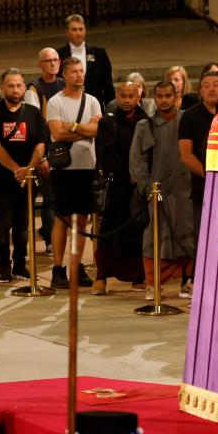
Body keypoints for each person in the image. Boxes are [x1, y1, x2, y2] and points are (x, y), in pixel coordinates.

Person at [0, 69, 46, 283]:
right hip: (0, 179)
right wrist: (16, 169)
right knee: (2, 224)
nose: (15, 89)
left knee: (23, 224)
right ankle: (4, 266)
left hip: (27, 177)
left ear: (24, 87)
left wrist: (29, 168)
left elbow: (41, 143)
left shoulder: (34, 113)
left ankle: (20, 264)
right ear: (2, 88)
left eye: (19, 85)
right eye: (10, 85)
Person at [129, 81, 193, 299]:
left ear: (176, 96)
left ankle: (188, 281)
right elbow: (136, 161)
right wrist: (148, 187)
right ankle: (152, 283)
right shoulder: (145, 125)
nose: (164, 100)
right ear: (154, 98)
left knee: (188, 236)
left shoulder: (188, 121)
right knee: (154, 239)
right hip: (157, 192)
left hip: (186, 192)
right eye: (160, 96)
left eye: (168, 95)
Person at [45, 56, 99, 289]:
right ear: (64, 75)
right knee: (63, 219)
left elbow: (97, 130)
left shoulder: (92, 101)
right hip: (64, 168)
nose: (79, 75)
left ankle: (77, 266)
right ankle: (59, 268)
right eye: (74, 71)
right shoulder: (56, 102)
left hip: (87, 167)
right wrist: (85, 131)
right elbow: (58, 134)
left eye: (81, 70)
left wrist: (75, 127)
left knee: (82, 220)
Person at [91, 81, 148, 295]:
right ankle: (101, 277)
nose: (126, 100)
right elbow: (105, 152)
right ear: (117, 96)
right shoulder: (108, 122)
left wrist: (139, 175)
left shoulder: (145, 121)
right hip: (117, 184)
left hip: (138, 186)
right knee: (108, 232)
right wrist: (127, 172)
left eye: (131, 96)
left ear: (138, 96)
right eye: (123, 96)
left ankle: (139, 276)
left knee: (139, 230)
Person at [177, 69, 218, 297]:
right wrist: (211, 177)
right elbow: (186, 155)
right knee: (203, 239)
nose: (212, 89)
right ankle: (201, 287)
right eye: (206, 85)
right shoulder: (190, 116)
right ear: (199, 91)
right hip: (203, 188)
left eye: (216, 84)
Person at [24, 47, 65, 257]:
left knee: (60, 197)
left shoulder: (64, 84)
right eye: (48, 61)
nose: (52, 64)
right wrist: (43, 156)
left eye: (56, 60)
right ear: (40, 64)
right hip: (47, 149)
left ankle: (59, 235)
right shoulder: (34, 90)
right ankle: (50, 239)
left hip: (65, 148)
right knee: (49, 198)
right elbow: (35, 125)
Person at [56, 14, 115, 106]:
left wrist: (110, 108)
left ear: (85, 31)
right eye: (74, 30)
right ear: (66, 32)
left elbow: (108, 85)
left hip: (95, 105)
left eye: (81, 29)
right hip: (67, 104)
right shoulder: (58, 55)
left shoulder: (99, 53)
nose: (78, 33)